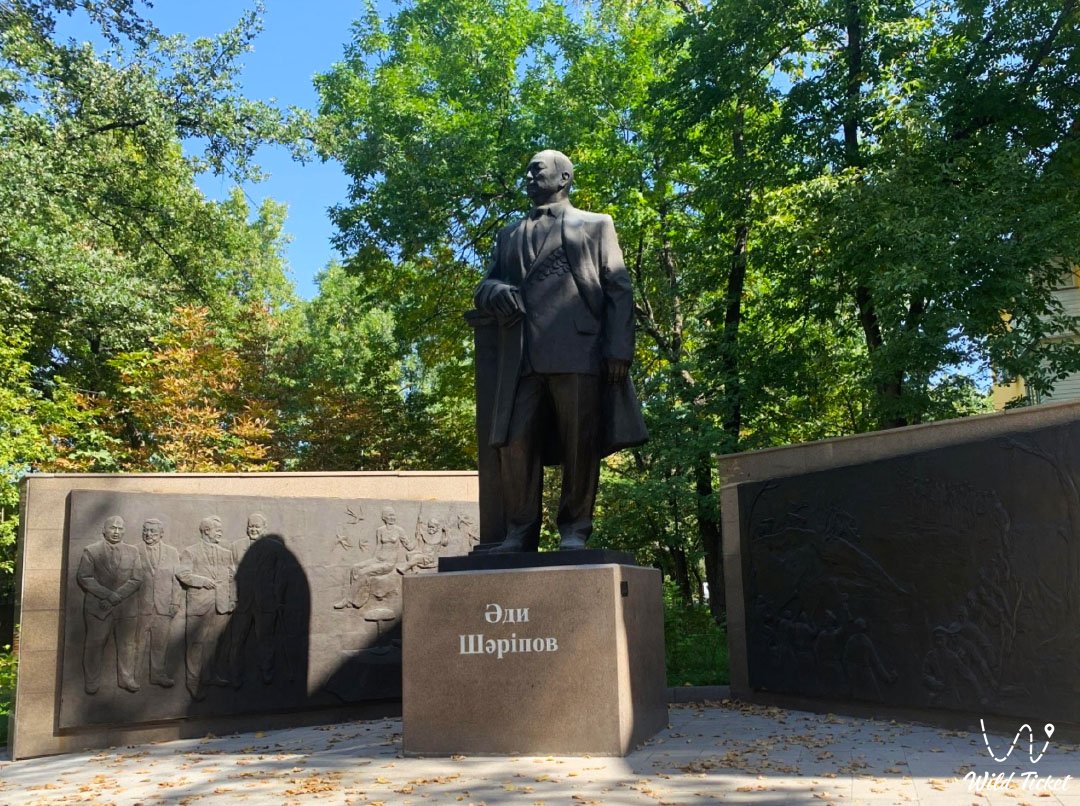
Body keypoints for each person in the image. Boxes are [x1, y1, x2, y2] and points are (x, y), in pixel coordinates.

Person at [473, 149, 647, 552]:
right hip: (522, 357)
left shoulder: (596, 225)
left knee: (579, 442)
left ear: (563, 178)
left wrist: (619, 350)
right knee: (515, 443)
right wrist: (496, 291)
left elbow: (618, 287)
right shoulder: (509, 234)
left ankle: (575, 528)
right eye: (527, 172)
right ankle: (520, 531)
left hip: (579, 351)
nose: (529, 177)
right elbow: (484, 286)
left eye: (537, 171)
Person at [77, 515, 144, 694]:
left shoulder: (133, 551)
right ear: (104, 530)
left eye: (120, 528)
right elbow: (84, 577)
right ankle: (91, 681)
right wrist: (108, 595)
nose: (116, 532)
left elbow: (137, 578)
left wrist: (117, 596)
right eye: (112, 528)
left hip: (126, 608)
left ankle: (127, 678)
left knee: (127, 644)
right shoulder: (91, 551)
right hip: (98, 608)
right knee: (95, 644)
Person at [176, 515, 234, 699]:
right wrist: (202, 581)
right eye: (218, 531)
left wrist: (232, 599)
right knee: (196, 644)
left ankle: (210, 675)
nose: (220, 534)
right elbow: (183, 574)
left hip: (221, 605)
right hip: (199, 604)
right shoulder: (190, 551)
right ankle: (193, 682)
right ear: (206, 531)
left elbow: (231, 578)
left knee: (214, 642)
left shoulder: (226, 553)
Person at [227, 513, 284, 686]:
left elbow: (281, 575)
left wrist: (278, 598)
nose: (253, 530)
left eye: (257, 527)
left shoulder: (275, 548)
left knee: (266, 640)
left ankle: (267, 672)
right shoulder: (236, 547)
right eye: (250, 526)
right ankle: (235, 676)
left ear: (264, 528)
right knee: (236, 641)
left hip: (266, 602)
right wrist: (231, 598)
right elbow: (230, 575)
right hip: (241, 602)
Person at [135, 518, 181, 687]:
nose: (148, 534)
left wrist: (175, 603)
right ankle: (134, 677)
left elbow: (177, 580)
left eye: (153, 531)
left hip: (164, 607)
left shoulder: (172, 552)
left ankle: (157, 675)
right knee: (137, 644)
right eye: (145, 530)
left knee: (160, 645)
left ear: (161, 534)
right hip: (141, 606)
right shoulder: (135, 550)